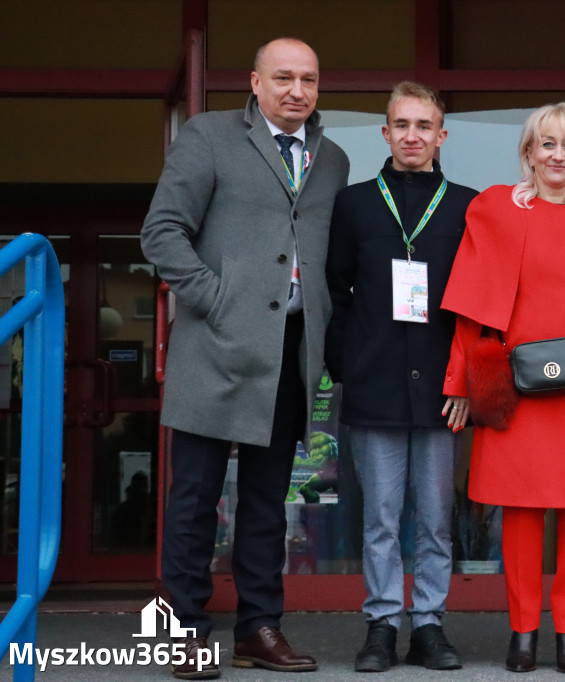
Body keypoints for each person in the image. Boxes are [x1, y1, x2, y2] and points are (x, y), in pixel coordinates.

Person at [141, 37, 349, 679]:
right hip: (215, 346)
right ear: (254, 84)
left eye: (308, 79)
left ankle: (260, 627)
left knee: (266, 503)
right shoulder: (207, 136)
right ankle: (184, 634)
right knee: (196, 500)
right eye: (282, 77)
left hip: (292, 353)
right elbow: (161, 233)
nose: (296, 90)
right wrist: (218, 299)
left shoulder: (333, 157)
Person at [442, 103, 565, 674]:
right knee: (520, 513)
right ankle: (523, 632)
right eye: (547, 143)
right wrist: (463, 382)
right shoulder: (497, 207)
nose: (558, 155)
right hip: (518, 383)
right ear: (528, 152)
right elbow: (471, 307)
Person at [324, 81, 477, 673]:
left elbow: (478, 304)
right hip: (375, 383)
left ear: (441, 136)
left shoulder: (468, 206)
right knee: (381, 518)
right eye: (402, 125)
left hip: (443, 390)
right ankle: (382, 625)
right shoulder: (354, 204)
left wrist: (465, 378)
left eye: (425, 126)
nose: (413, 136)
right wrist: (346, 364)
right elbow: (335, 291)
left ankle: (430, 626)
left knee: (437, 520)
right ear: (385, 134)